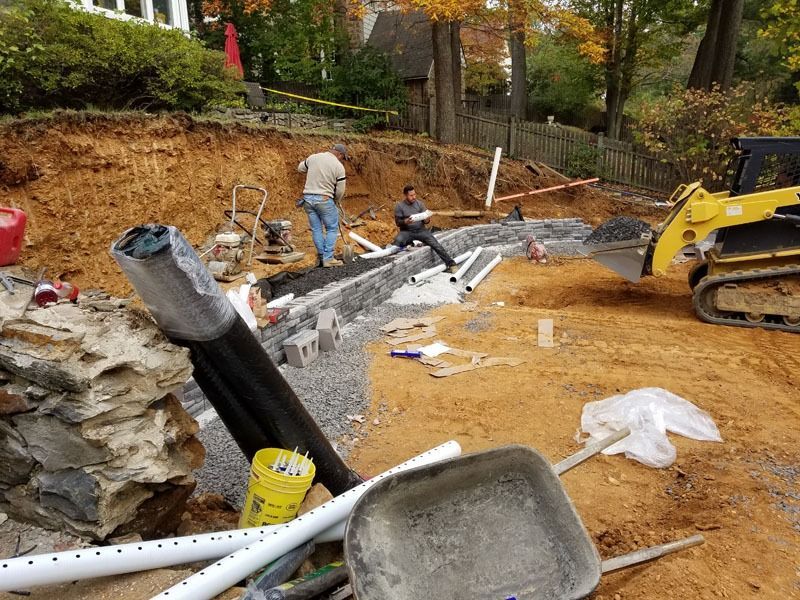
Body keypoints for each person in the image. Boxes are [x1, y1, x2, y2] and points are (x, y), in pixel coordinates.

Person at [298, 143, 349, 267]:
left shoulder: (313, 157)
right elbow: (340, 190)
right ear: (340, 154)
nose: (342, 159)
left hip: (308, 199)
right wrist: (336, 200)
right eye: (343, 157)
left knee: (316, 228)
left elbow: (300, 168)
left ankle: (321, 256)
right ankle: (328, 258)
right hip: (324, 199)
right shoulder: (338, 166)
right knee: (332, 228)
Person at [393, 185, 458, 273]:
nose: (414, 197)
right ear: (405, 195)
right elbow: (398, 222)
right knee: (398, 241)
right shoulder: (400, 206)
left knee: (435, 244)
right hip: (407, 231)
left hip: (421, 230)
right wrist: (405, 221)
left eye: (414, 194)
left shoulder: (419, 204)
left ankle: (451, 264)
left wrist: (427, 220)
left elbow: (426, 220)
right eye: (411, 195)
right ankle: (410, 243)